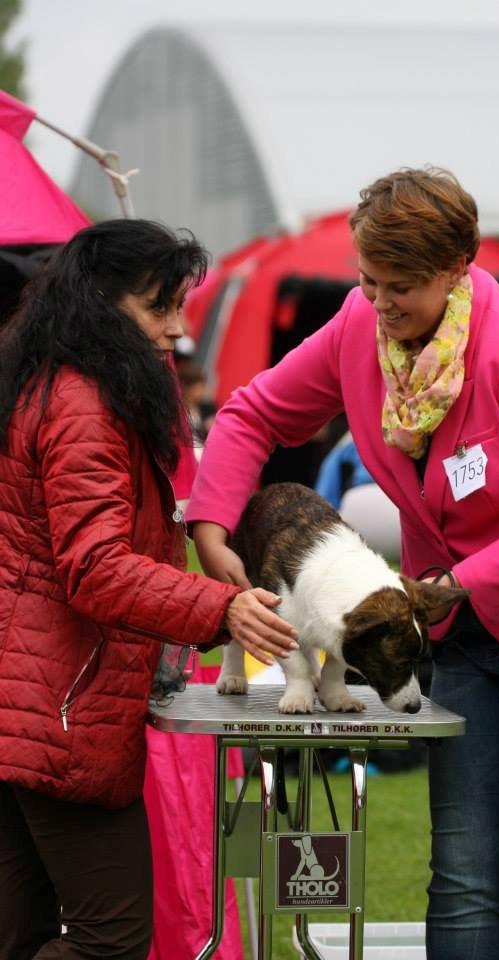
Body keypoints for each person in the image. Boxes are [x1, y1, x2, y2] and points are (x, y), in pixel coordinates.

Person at [186, 166, 499, 960]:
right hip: (460, 631)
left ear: (455, 271)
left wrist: (460, 582)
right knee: (462, 879)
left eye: (402, 287)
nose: (381, 304)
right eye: (369, 283)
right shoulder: (358, 331)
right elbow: (254, 410)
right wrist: (213, 524)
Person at [0, 218, 298, 960]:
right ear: (102, 303)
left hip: (29, 701)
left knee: (22, 936)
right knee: (112, 941)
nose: (178, 327)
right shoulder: (81, 403)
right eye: (159, 306)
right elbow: (94, 566)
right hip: (56, 713)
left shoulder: (47, 378)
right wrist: (219, 607)